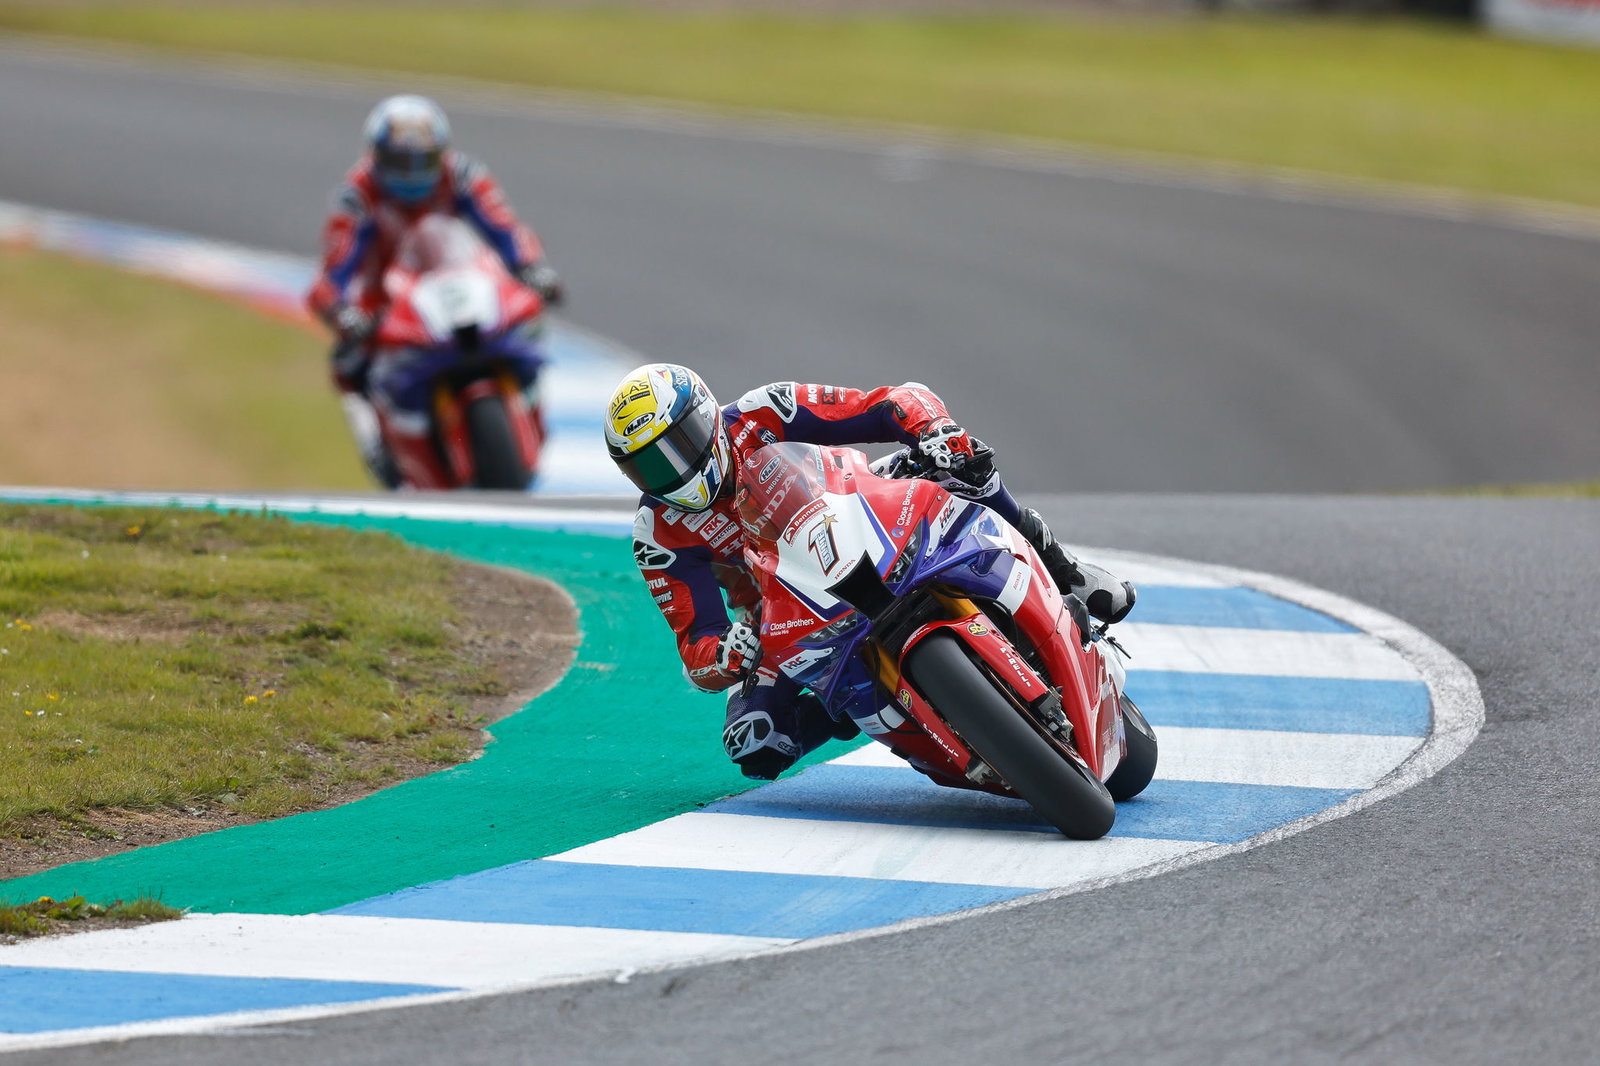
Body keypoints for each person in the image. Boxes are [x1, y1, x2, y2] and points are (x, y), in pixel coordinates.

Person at [604, 363, 1136, 781]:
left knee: (965, 465)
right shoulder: (659, 533)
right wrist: (726, 653)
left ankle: (1062, 571)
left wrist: (934, 431)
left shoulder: (764, 411)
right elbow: (695, 643)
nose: (676, 470)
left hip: (860, 510)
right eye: (651, 464)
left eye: (680, 445)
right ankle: (862, 710)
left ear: (706, 416)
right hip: (784, 613)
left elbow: (887, 403)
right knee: (755, 741)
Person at [306, 94, 565, 486]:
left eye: (422, 161)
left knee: (526, 326)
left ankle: (531, 413)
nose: (411, 175)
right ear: (377, 157)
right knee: (349, 364)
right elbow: (334, 269)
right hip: (387, 302)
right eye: (399, 163)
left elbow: (505, 228)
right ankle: (379, 444)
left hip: (459, 281)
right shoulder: (357, 197)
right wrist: (341, 310)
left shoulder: (462, 175)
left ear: (440, 154)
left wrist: (532, 268)